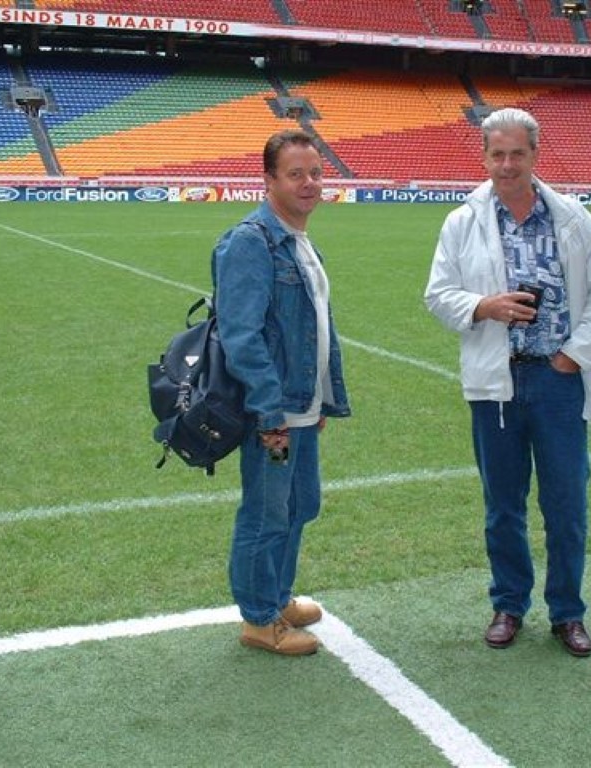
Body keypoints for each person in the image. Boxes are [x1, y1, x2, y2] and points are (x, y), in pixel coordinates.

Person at [424, 108, 591, 656]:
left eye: (518, 154)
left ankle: (568, 612)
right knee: (503, 506)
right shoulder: (462, 222)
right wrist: (483, 307)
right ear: (484, 157)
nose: (507, 165)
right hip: (496, 384)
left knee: (567, 505)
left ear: (535, 155)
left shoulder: (575, 220)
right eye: (498, 154)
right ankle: (509, 604)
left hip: (557, 382)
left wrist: (571, 358)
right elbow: (438, 295)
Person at [213, 130, 351, 656]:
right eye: (295, 174)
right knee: (268, 512)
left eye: (315, 173)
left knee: (300, 505)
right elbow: (241, 336)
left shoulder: (299, 240)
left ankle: (277, 596)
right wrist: (270, 410)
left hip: (302, 407)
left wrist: (319, 398)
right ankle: (258, 618)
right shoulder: (252, 242)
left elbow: (311, 328)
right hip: (273, 414)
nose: (309, 183)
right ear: (269, 180)